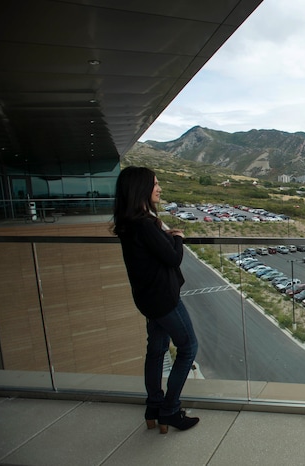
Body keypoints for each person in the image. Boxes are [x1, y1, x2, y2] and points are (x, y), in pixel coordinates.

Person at [112, 166, 199, 433]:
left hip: (148, 300)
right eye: (155, 184)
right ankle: (169, 410)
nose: (159, 188)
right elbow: (172, 258)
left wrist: (166, 237)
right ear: (141, 189)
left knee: (157, 350)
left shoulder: (128, 223)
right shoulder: (144, 224)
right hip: (164, 300)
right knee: (188, 349)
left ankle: (153, 406)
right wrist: (179, 238)